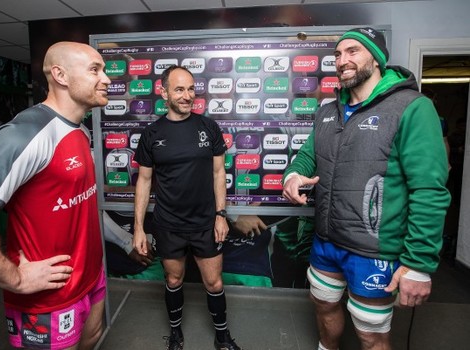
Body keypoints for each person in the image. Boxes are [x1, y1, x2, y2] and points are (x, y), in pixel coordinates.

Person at [0, 41, 111, 350]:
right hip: (48, 297)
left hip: (91, 277)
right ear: (61, 75)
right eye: (95, 70)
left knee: (92, 339)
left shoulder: (79, 131)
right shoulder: (24, 134)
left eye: (104, 70)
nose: (106, 79)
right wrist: (15, 279)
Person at [282, 27, 450, 350]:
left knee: (370, 334)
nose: (342, 60)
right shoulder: (327, 112)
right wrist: (291, 177)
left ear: (376, 59)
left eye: (353, 52)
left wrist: (418, 264)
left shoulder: (412, 108)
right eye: (337, 54)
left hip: (374, 252)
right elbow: (305, 158)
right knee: (324, 306)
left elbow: (429, 190)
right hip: (325, 243)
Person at [133, 65, 242, 350]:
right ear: (164, 92)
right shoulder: (152, 133)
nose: (187, 96)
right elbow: (144, 181)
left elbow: (219, 174)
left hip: (206, 222)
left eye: (191, 89)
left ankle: (222, 336)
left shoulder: (208, 127)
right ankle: (176, 334)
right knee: (173, 278)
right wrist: (138, 228)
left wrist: (221, 215)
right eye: (179, 89)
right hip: (168, 223)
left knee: (214, 284)